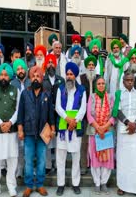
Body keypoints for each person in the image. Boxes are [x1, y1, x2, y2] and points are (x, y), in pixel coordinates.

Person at [17, 66, 55, 197]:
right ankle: (28, 186)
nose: (35, 78)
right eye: (33, 76)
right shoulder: (25, 94)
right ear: (30, 78)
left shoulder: (47, 94)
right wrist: (20, 129)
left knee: (42, 161)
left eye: (38, 76)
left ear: (41, 78)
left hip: (42, 133)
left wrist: (53, 129)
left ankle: (39, 185)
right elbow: (20, 112)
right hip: (28, 132)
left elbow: (51, 113)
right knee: (28, 160)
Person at [0, 63, 20, 197]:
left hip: (12, 131)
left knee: (12, 159)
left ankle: (11, 186)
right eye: (1, 74)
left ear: (10, 76)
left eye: (6, 75)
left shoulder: (16, 90)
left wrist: (10, 122)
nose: (3, 77)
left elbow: (18, 109)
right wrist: (1, 123)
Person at [55, 62, 87, 196]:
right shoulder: (60, 88)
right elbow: (57, 107)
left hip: (75, 128)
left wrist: (74, 121)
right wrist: (68, 119)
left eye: (71, 74)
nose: (69, 77)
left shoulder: (82, 90)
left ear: (75, 76)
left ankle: (75, 184)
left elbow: (83, 108)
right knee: (60, 157)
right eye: (67, 74)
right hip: (63, 128)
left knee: (75, 156)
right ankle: (61, 184)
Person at [115, 72, 136, 196]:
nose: (130, 82)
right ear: (123, 81)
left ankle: (135, 187)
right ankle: (122, 186)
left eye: (132, 80)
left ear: (134, 81)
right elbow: (116, 110)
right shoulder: (119, 94)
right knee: (122, 159)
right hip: (123, 128)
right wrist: (128, 123)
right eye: (127, 80)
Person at [86, 77, 115, 194]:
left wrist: (104, 127)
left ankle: (104, 183)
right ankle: (97, 183)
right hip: (94, 132)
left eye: (103, 83)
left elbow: (114, 115)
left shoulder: (110, 97)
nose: (101, 85)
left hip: (107, 133)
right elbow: (88, 114)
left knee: (107, 160)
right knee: (95, 159)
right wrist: (98, 127)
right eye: (99, 83)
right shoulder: (92, 97)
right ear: (96, 85)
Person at [42, 54, 65, 175]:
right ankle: (48, 165)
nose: (50, 64)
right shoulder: (42, 79)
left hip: (59, 114)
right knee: (47, 139)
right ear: (46, 64)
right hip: (45, 114)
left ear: (55, 65)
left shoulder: (61, 79)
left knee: (58, 141)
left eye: (52, 62)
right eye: (48, 62)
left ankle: (57, 163)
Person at [11, 58, 31, 179]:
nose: (20, 70)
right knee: (18, 147)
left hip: (29, 120)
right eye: (18, 69)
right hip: (16, 120)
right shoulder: (12, 84)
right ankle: (19, 170)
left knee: (28, 147)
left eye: (22, 68)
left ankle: (28, 170)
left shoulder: (30, 82)